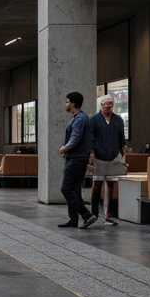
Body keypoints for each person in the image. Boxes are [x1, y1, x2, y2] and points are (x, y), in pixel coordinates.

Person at [57, 92, 97, 229]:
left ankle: (86, 215)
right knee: (74, 189)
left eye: (67, 102)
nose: (66, 104)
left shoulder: (80, 119)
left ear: (73, 104)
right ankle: (73, 219)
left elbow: (76, 137)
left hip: (76, 158)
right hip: (78, 158)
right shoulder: (79, 117)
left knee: (66, 188)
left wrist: (65, 148)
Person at [88, 94, 126, 226]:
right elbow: (90, 137)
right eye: (106, 103)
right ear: (101, 105)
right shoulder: (93, 120)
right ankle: (93, 214)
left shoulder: (118, 120)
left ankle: (108, 215)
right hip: (98, 158)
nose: (109, 106)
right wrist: (91, 152)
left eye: (111, 103)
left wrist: (122, 150)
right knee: (96, 185)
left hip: (113, 158)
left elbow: (121, 137)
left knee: (111, 185)